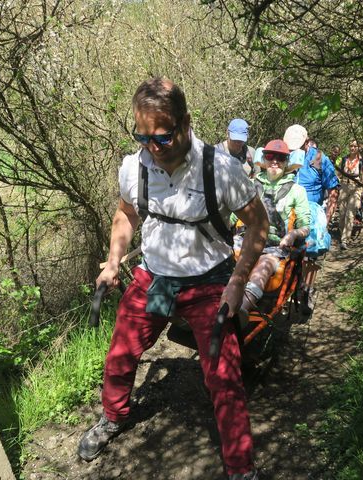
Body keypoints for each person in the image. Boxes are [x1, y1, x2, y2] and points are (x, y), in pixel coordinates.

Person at [77, 77, 268, 480]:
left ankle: (240, 468)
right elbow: (126, 215)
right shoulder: (135, 166)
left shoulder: (222, 170)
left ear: (185, 123)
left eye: (161, 137)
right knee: (120, 355)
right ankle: (114, 417)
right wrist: (113, 261)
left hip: (208, 283)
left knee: (224, 378)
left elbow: (258, 225)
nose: (151, 147)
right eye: (142, 136)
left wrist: (236, 282)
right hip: (154, 278)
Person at [235, 139, 310, 317]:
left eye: (281, 157)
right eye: (270, 156)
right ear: (264, 159)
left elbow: (305, 226)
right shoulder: (251, 185)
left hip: (275, 247)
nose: (275, 161)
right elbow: (232, 216)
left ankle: (240, 312)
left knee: (264, 267)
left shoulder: (297, 191)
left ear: (287, 162)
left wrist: (293, 234)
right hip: (245, 240)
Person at [283, 125, 339, 315]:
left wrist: (327, 218)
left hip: (312, 211)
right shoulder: (284, 155)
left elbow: (333, 190)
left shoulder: (320, 159)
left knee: (310, 252)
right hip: (287, 210)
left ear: (307, 142)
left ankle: (307, 289)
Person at [338, 140, 363, 249]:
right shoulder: (344, 159)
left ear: (358, 148)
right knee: (341, 214)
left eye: (355, 146)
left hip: (356, 188)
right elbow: (339, 174)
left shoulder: (361, 161)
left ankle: (344, 240)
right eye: (351, 146)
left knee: (350, 214)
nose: (353, 148)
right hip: (344, 186)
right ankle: (342, 235)